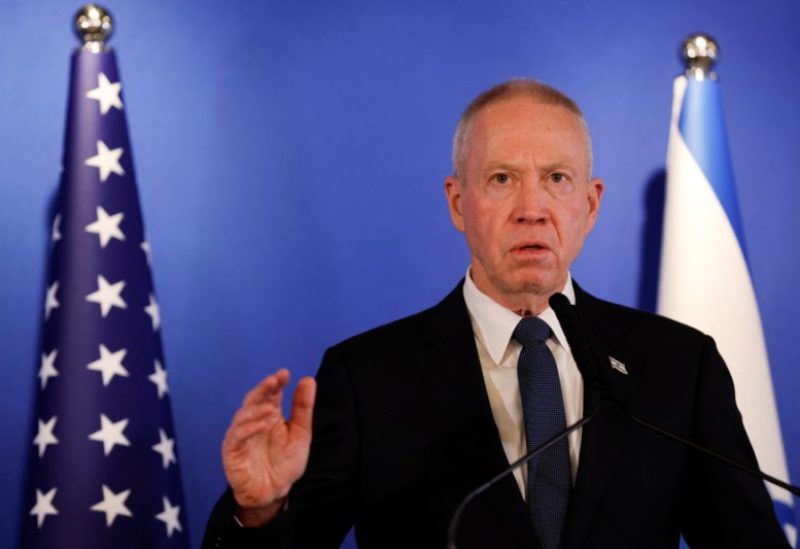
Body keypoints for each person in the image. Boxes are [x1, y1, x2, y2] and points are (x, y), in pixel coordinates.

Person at [203, 79, 788, 548]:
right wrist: (259, 511)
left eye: (556, 179)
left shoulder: (677, 366)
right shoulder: (367, 378)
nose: (531, 209)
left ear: (590, 204)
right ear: (459, 203)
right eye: (502, 179)